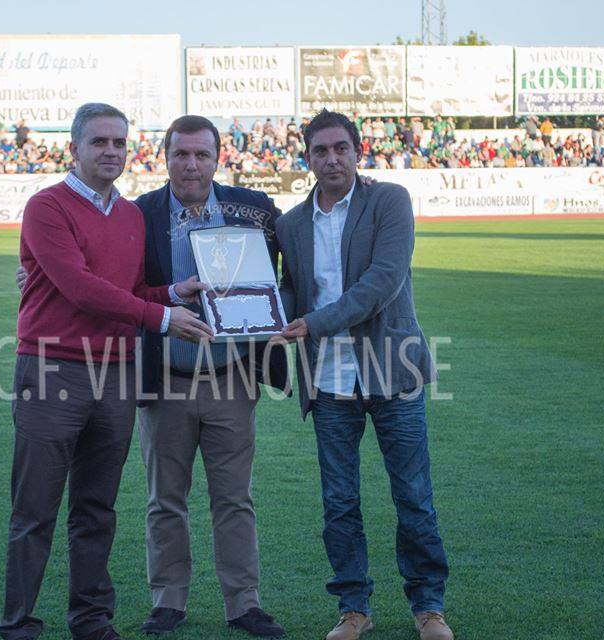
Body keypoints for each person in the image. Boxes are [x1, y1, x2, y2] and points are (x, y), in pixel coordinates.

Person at [0, 103, 212, 640]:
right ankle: (18, 622)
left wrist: (169, 294)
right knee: (35, 511)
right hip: (53, 368)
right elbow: (80, 287)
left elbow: (129, 293)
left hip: (116, 373)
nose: (111, 151)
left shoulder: (132, 215)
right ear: (74, 148)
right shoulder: (47, 206)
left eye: (119, 142)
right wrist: (162, 316)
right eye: (99, 142)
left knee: (97, 509)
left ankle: (91, 620)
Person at [272, 109, 452, 640]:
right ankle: (353, 608)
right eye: (320, 150)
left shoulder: (389, 200)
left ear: (357, 151)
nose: (331, 158)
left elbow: (382, 283)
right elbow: (289, 291)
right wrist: (247, 312)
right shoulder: (290, 223)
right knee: (339, 502)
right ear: (307, 158)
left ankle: (428, 606)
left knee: (413, 495)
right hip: (328, 382)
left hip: (392, 374)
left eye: (340, 148)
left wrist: (310, 323)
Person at [133, 115, 288, 637]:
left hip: (232, 379)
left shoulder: (255, 211)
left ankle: (243, 603)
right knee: (164, 499)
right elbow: (108, 278)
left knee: (234, 498)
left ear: (219, 157)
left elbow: (299, 263)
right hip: (166, 379)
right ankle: (168, 601)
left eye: (201, 154)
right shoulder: (141, 214)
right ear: (165, 157)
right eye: (181, 154)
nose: (191, 164)